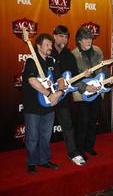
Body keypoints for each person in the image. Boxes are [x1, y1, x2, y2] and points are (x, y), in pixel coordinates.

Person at [22, 33, 64, 173]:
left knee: (46, 136)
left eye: (51, 45)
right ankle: (32, 162)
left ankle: (44, 160)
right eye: (46, 44)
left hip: (49, 107)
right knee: (32, 137)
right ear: (38, 46)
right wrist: (49, 94)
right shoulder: (31, 60)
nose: (50, 47)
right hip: (33, 107)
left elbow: (60, 79)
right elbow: (32, 80)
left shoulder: (52, 60)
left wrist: (60, 92)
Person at [51, 25, 87, 165]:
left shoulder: (69, 56)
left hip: (63, 97)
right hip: (46, 97)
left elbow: (76, 77)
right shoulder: (46, 51)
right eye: (60, 36)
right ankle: (38, 156)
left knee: (68, 125)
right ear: (54, 36)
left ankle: (73, 153)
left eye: (66, 37)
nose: (63, 39)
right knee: (43, 128)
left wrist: (86, 82)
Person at [72, 26, 108, 158]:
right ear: (79, 40)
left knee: (93, 121)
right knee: (83, 122)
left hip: (97, 91)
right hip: (82, 94)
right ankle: (79, 150)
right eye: (85, 39)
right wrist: (85, 88)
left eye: (90, 38)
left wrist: (106, 82)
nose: (89, 41)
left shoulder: (98, 50)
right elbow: (72, 77)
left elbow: (103, 69)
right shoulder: (74, 54)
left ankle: (89, 146)